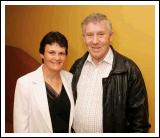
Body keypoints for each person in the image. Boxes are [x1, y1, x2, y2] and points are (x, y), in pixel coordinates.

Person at [70, 13, 151, 133]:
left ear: (111, 37)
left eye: (101, 34)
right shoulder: (77, 66)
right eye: (89, 35)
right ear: (84, 38)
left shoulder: (129, 70)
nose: (95, 41)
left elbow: (139, 124)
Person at [13, 31, 74, 133]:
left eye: (61, 53)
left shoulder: (71, 78)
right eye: (51, 52)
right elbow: (20, 128)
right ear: (42, 54)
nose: (57, 58)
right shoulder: (24, 83)